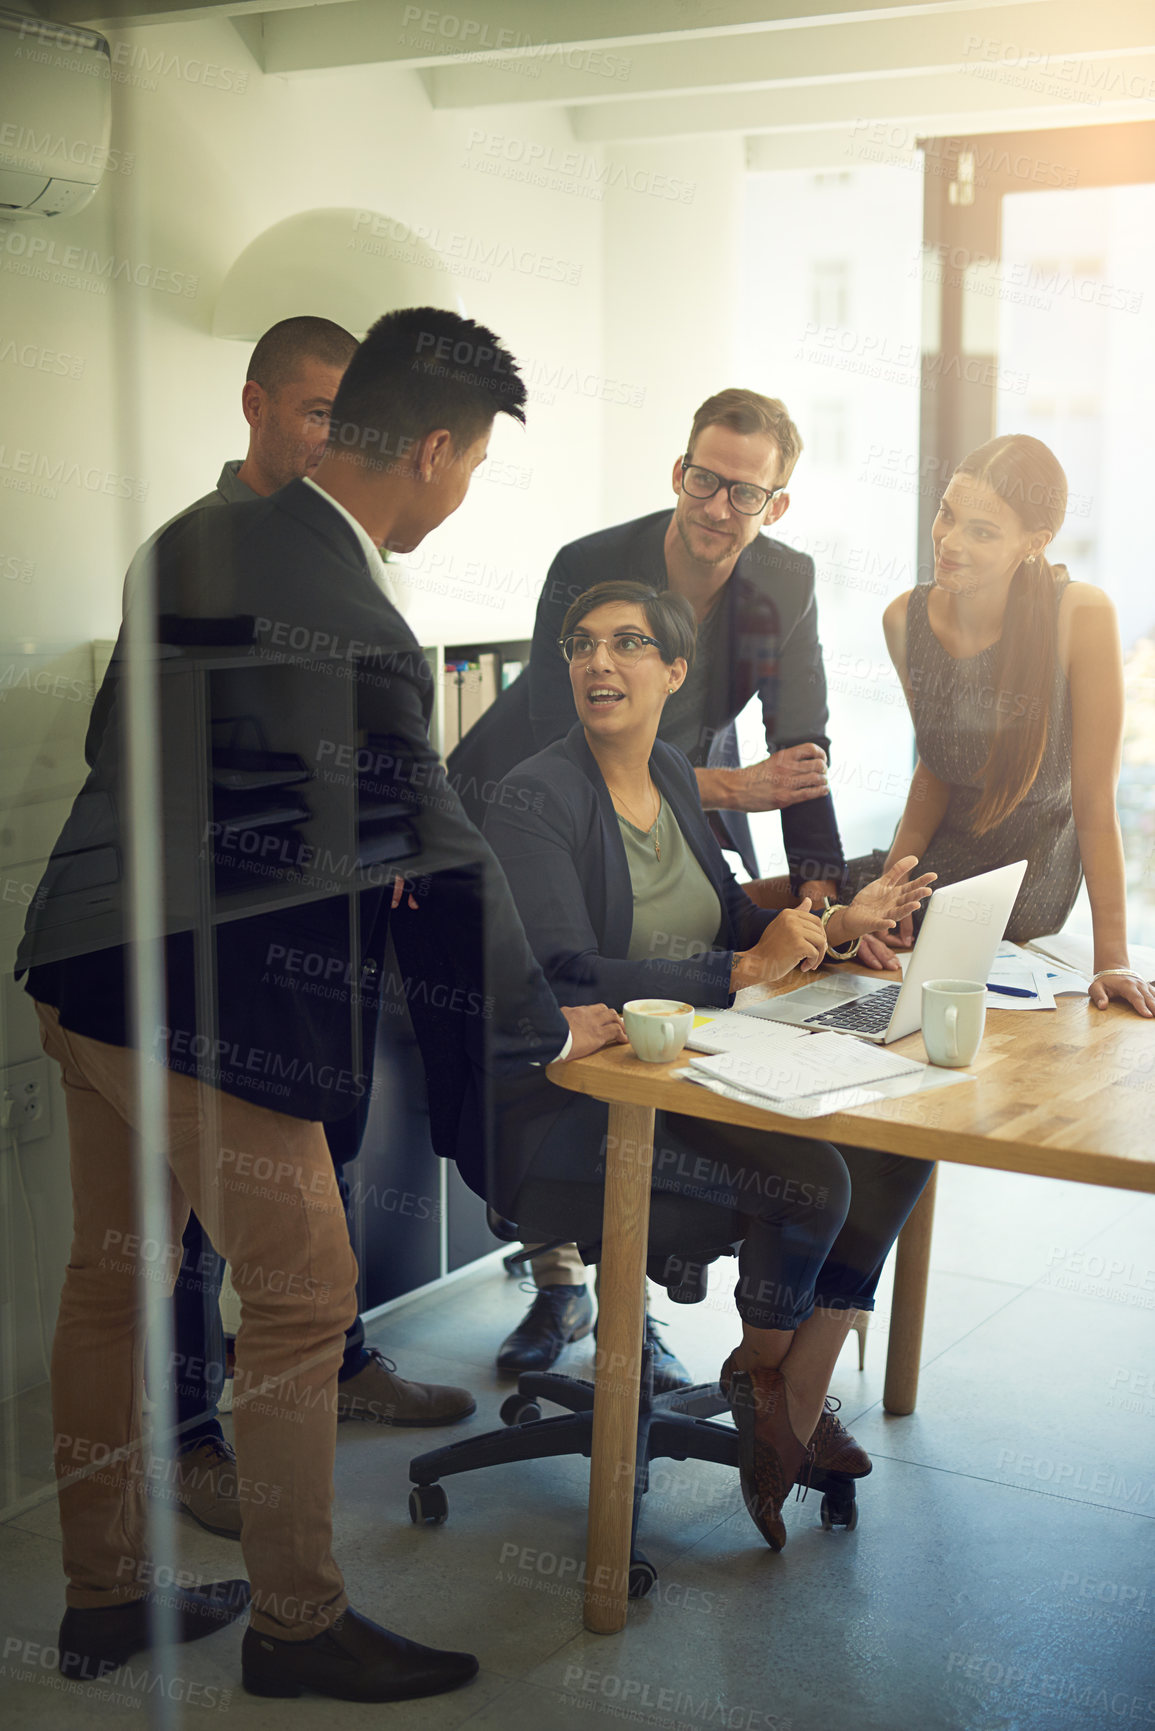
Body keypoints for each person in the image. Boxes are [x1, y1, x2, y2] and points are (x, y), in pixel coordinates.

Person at [17, 307, 622, 1702]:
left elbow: (134, 747)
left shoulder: (187, 537)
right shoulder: (358, 616)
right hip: (200, 1006)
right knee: (302, 1299)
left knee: (109, 1279)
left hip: (81, 972)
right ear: (427, 447)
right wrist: (545, 1025)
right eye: (469, 464)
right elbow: (448, 859)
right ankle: (298, 1621)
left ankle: (104, 1594)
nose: (462, 489)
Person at [479, 578, 937, 1550]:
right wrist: (738, 965)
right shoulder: (535, 796)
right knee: (811, 1178)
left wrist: (822, 923)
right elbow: (566, 969)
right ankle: (779, 1412)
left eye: (630, 643)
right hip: (581, 1104)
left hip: (700, 1067)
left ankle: (780, 1390)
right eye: (583, 644)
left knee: (902, 1147)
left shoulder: (677, 781)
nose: (600, 661)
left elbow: (730, 916)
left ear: (674, 671)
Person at [452, 388, 893, 1376]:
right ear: (678, 472)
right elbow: (562, 739)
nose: (717, 506)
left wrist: (822, 905)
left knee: (687, 944)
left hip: (665, 784)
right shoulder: (591, 569)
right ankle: (570, 1289)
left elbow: (804, 753)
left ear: (775, 504)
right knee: (585, 969)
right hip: (546, 794)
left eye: (745, 491)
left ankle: (723, 1333)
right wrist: (725, 792)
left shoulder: (785, 579)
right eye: (704, 478)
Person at [152, 317, 475, 1551]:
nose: (331, 435)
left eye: (350, 416)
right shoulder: (205, 554)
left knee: (325, 1149)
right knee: (188, 1212)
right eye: (311, 411)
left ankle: (338, 1367)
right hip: (217, 955)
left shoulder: (345, 557)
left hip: (326, 944)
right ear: (255, 406)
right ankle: (190, 1440)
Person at [879, 432, 1154, 1018]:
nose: (949, 542)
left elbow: (1094, 803)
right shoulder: (905, 618)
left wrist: (1113, 959)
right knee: (798, 899)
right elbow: (937, 766)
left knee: (805, 912)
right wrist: (887, 890)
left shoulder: (1081, 615)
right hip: (934, 868)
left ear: (1034, 543)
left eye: (981, 531)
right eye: (947, 515)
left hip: (1021, 890)